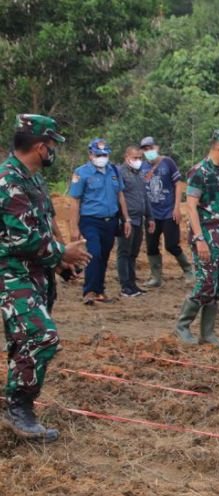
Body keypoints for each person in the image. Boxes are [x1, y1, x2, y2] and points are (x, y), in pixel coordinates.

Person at [1, 114, 92, 442]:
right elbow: (22, 237)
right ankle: (19, 409)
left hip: (38, 275)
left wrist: (60, 262)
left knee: (22, 342)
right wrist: (61, 252)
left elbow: (45, 224)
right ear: (40, 146)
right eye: (52, 144)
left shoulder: (34, 178)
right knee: (42, 337)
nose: (53, 150)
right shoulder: (8, 180)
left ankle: (14, 404)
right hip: (12, 275)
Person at [174, 130, 219, 348]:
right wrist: (200, 238)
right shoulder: (198, 171)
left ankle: (208, 333)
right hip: (206, 236)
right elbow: (191, 207)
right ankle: (182, 326)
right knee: (205, 283)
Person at [69, 138, 132, 305]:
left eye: (105, 154)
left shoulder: (113, 171)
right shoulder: (81, 173)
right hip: (90, 220)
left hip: (110, 221)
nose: (102, 157)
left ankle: (99, 290)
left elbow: (120, 195)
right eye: (98, 154)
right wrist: (74, 227)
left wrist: (126, 219)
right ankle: (89, 291)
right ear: (90, 155)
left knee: (103, 256)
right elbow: (75, 201)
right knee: (94, 253)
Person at [139, 136, 193, 288]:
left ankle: (188, 270)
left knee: (171, 244)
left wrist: (177, 207)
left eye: (150, 148)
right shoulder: (142, 167)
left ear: (157, 147)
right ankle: (156, 277)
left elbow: (178, 185)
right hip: (151, 215)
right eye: (145, 149)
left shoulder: (168, 163)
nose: (148, 151)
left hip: (169, 212)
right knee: (151, 246)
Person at [117, 146, 154, 297]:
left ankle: (132, 283)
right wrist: (124, 217)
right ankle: (125, 285)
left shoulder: (140, 174)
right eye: (135, 157)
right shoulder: (120, 173)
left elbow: (145, 197)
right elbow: (118, 196)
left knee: (133, 253)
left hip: (139, 219)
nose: (138, 160)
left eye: (140, 157)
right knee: (124, 252)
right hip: (127, 219)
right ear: (126, 157)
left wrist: (150, 216)